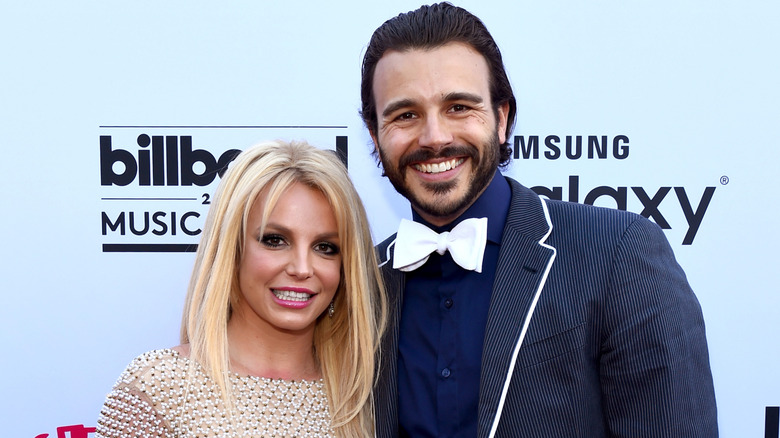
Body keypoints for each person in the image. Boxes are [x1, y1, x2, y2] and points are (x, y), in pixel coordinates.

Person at [360, 3, 718, 437]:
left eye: (458, 107)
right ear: (375, 135)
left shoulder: (617, 254)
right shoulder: (361, 285)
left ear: (502, 118)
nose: (435, 137)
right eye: (405, 115)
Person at [96, 140, 386, 438]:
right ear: (231, 250)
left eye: (325, 247)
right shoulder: (160, 387)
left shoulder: (366, 400)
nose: (302, 268)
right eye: (275, 240)